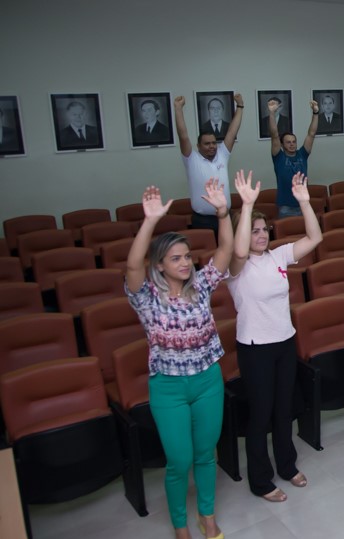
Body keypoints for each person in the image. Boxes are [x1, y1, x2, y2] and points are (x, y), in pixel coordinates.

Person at [124, 179, 232, 539]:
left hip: (207, 381)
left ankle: (207, 516)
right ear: (160, 264)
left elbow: (227, 249)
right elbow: (132, 267)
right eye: (176, 258)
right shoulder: (147, 298)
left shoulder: (200, 285)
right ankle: (180, 526)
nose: (185, 263)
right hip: (168, 388)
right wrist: (150, 221)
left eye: (187, 256)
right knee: (179, 461)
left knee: (205, 454)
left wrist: (222, 212)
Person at [227, 170, 320, 502]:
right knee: (261, 413)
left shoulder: (278, 255)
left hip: (284, 341)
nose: (261, 235)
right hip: (255, 348)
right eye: (253, 230)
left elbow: (314, 239)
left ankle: (287, 464)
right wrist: (247, 206)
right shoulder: (235, 267)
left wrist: (305, 202)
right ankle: (260, 481)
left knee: (284, 408)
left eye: (263, 229)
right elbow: (237, 253)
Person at [175, 94, 244, 236]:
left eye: (214, 143)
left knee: (230, 254)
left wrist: (240, 106)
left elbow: (232, 132)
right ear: (198, 146)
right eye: (207, 144)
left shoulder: (222, 155)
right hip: (203, 220)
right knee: (208, 255)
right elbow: (183, 135)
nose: (212, 146)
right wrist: (178, 108)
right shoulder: (191, 158)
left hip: (226, 216)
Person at [269, 99, 319, 218]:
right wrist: (271, 113)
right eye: (288, 142)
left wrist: (316, 113)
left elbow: (311, 133)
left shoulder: (302, 154)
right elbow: (274, 135)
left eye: (294, 142)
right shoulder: (278, 157)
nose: (292, 144)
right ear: (282, 145)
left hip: (303, 205)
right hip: (285, 208)